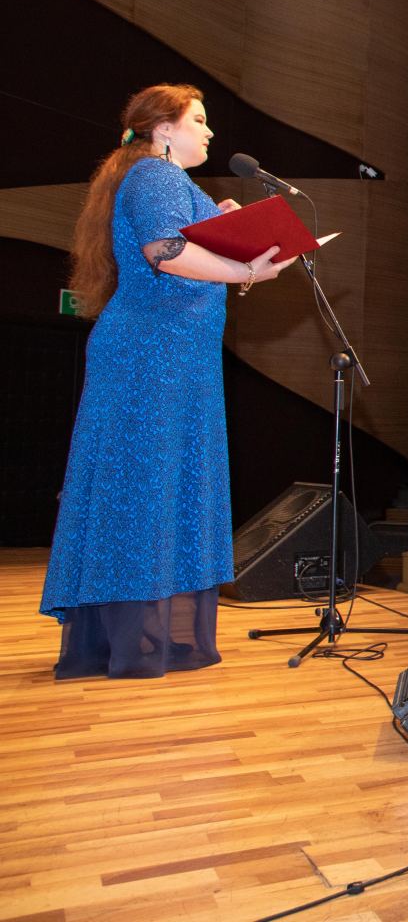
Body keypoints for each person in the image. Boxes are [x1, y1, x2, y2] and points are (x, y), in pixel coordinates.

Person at [42, 84, 300, 679]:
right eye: (199, 121)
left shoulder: (172, 184)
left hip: (171, 356)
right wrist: (242, 267)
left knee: (150, 487)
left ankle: (132, 637)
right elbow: (165, 251)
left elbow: (191, 252)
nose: (209, 132)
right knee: (144, 486)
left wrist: (235, 238)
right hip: (151, 355)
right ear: (164, 129)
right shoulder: (156, 178)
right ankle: (135, 642)